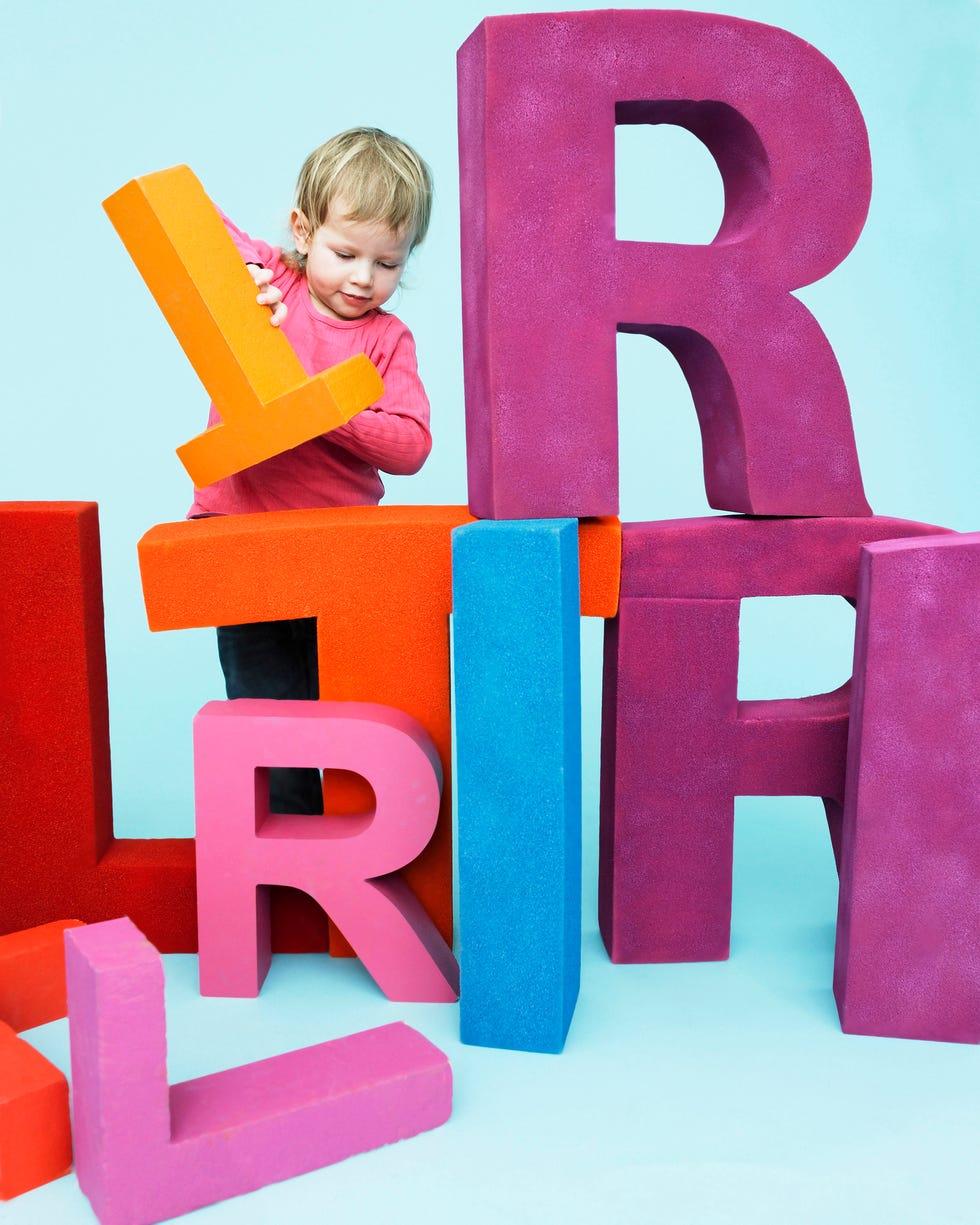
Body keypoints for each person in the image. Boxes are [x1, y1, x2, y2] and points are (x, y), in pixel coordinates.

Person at [188, 127, 434, 814]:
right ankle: (286, 874)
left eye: (387, 262)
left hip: (339, 560)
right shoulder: (276, 287)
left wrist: (330, 412)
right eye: (345, 252)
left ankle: (353, 860)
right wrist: (242, 276)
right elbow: (199, 227)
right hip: (245, 546)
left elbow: (413, 445)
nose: (363, 278)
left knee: (349, 721)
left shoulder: (388, 339)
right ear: (303, 230)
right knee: (267, 724)